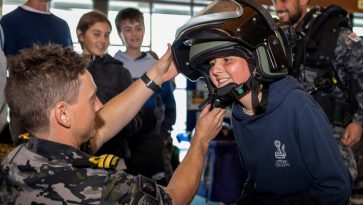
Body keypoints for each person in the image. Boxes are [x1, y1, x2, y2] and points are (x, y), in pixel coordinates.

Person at [172, 0, 352, 204]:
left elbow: (336, 188)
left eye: (227, 60)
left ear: (257, 62)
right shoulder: (239, 113)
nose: (215, 70)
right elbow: (258, 180)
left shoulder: (296, 104)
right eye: (211, 63)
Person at [0, 43, 226, 204]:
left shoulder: (16, 160)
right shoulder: (98, 189)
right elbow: (174, 199)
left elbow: (105, 125)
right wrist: (201, 140)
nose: (99, 106)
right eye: (92, 99)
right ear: (63, 114)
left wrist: (154, 76)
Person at [272, 0, 363, 194]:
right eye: (274, 1)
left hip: (329, 137)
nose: (278, 6)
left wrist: (360, 121)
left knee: (332, 193)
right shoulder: (279, 39)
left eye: (284, 0)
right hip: (288, 137)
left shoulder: (334, 36)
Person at [114, 7, 177, 185]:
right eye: (128, 29)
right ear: (120, 33)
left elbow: (170, 105)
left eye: (138, 28)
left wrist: (164, 134)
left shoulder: (157, 66)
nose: (134, 34)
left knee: (156, 191)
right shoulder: (113, 66)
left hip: (153, 143)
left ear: (144, 30)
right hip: (124, 145)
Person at [76, 10, 142, 167]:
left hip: (114, 157)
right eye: (97, 34)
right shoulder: (69, 69)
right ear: (81, 35)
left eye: (107, 35)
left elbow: (136, 120)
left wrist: (112, 115)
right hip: (77, 156)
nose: (103, 40)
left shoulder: (120, 72)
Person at [0, 0, 73, 142]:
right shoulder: (9, 21)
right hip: (25, 111)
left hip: (61, 109)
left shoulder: (62, 25)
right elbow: (6, 69)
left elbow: (70, 69)